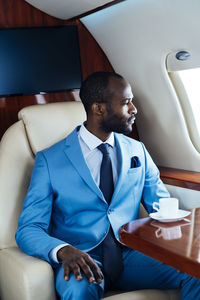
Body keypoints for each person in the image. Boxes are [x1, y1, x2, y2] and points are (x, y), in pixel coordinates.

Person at [16, 72, 200, 300]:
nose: (134, 109)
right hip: (81, 256)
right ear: (98, 109)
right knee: (77, 291)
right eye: (125, 102)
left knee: (196, 272)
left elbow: (162, 208)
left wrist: (189, 236)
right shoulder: (49, 160)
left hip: (134, 254)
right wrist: (63, 251)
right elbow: (29, 228)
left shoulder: (137, 151)